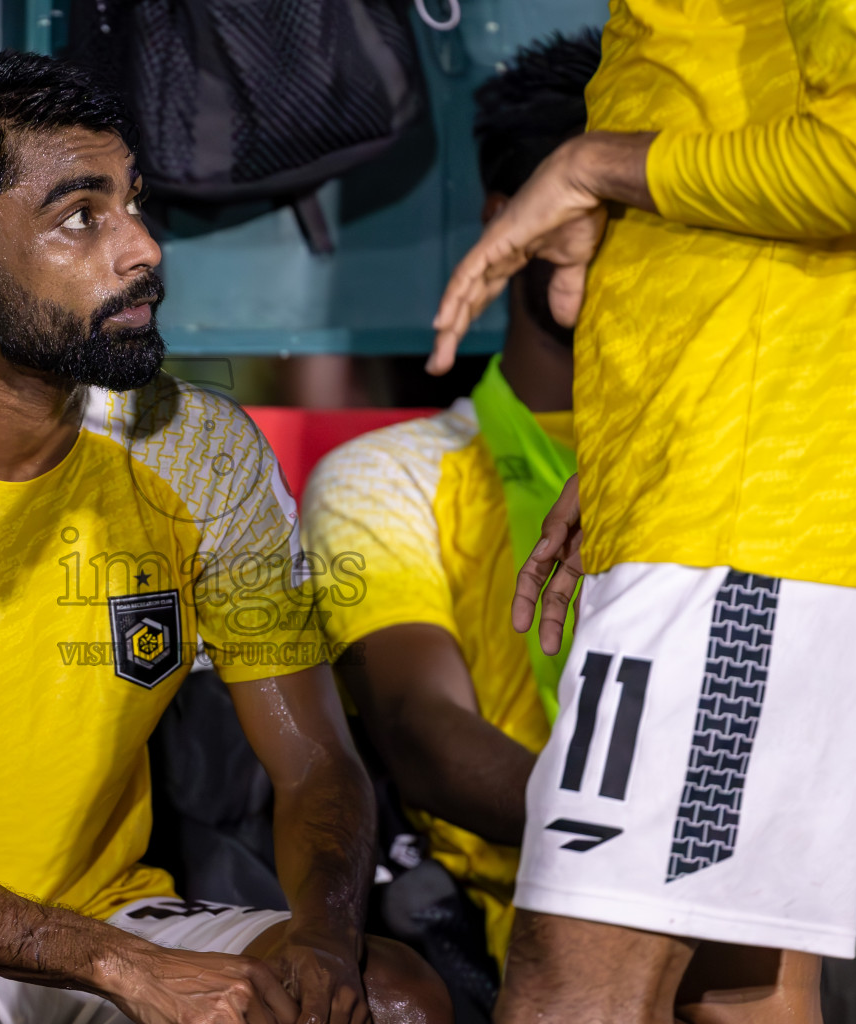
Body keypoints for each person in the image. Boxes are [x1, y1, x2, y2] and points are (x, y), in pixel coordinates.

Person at [0, 50, 451, 1024]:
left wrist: (321, 941)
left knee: (388, 994)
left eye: (133, 203)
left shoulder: (199, 449)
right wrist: (123, 966)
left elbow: (317, 764)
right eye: (81, 217)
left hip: (110, 913)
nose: (142, 247)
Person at [427, 2, 856, 1022]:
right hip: (725, 481)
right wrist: (647, 436)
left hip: (749, 520)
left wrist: (591, 165)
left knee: (575, 977)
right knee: (737, 985)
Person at [301, 28, 595, 975]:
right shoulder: (394, 476)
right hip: (576, 910)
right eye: (609, 208)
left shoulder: (757, 457)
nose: (654, 256)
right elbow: (421, 733)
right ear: (519, 220)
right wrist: (647, 844)